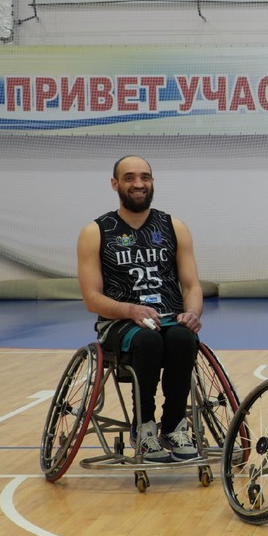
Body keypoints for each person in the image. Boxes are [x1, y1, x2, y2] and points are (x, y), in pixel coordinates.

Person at [77, 155, 204, 463]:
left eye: (145, 177)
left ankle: (174, 424)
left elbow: (191, 285)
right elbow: (91, 298)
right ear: (115, 184)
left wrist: (192, 313)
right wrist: (130, 310)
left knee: (183, 338)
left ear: (152, 182)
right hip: (119, 322)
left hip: (168, 318)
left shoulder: (174, 227)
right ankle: (144, 426)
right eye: (130, 177)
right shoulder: (96, 232)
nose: (138, 184)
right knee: (148, 340)